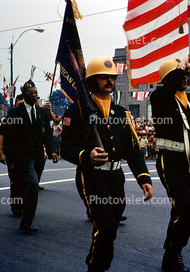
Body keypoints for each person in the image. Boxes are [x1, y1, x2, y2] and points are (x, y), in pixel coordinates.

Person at [61, 56, 153, 272]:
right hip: (92, 177)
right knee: (106, 229)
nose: (109, 81)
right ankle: (96, 268)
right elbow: (66, 148)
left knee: (110, 227)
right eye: (103, 77)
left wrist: (144, 178)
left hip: (116, 178)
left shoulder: (122, 113)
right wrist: (86, 155)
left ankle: (95, 262)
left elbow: (132, 150)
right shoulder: (77, 111)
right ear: (92, 80)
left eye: (112, 77)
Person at [150, 57, 190, 272]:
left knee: (181, 212)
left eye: (186, 75)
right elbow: (167, 89)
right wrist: (181, 66)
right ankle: (173, 252)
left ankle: (172, 252)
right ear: (169, 78)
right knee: (187, 211)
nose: (185, 77)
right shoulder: (160, 97)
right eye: (180, 74)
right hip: (170, 160)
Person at [2, 80, 58, 234]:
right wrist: (10, 161)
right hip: (23, 158)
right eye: (30, 93)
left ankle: (26, 215)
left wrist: (52, 151)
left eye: (35, 92)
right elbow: (9, 139)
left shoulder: (41, 113)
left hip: (39, 156)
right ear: (24, 95)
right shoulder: (15, 113)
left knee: (32, 187)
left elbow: (48, 135)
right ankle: (26, 221)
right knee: (32, 184)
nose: (34, 95)